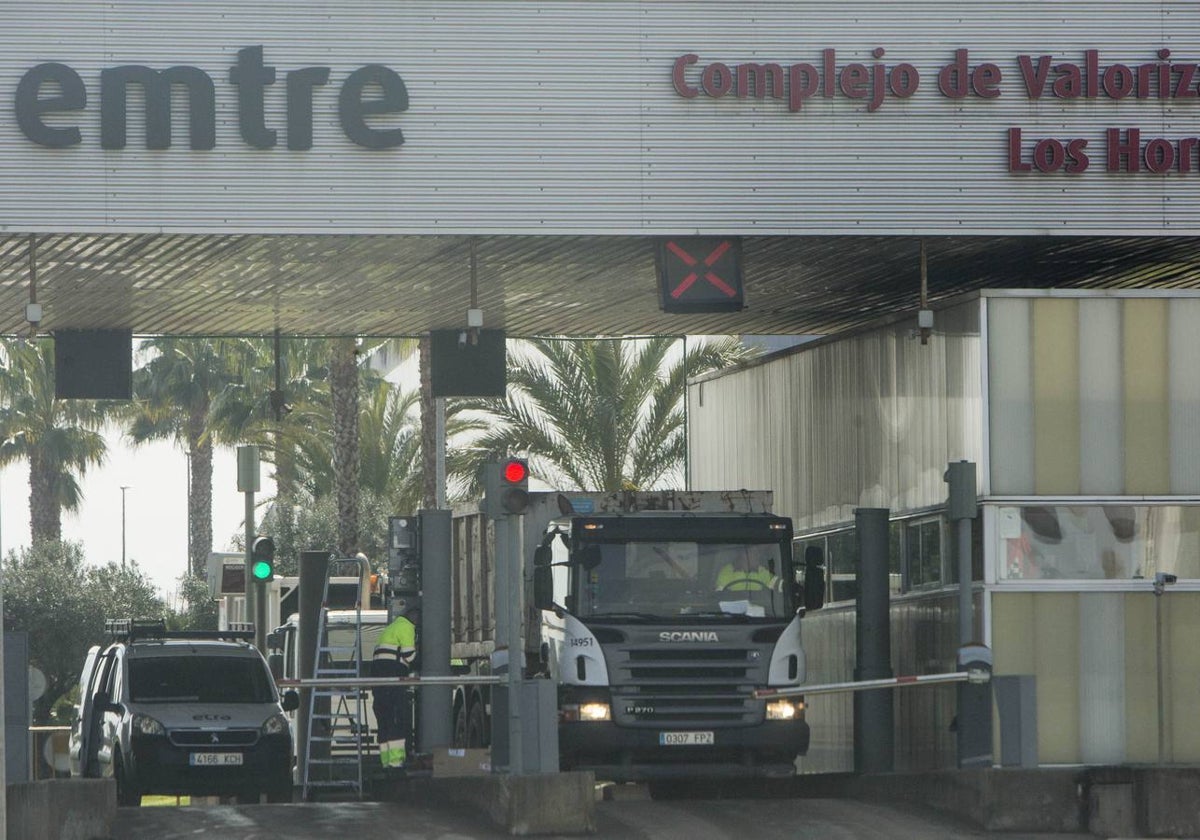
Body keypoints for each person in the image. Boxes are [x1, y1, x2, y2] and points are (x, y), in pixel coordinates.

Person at [372, 604, 417, 769]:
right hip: (392, 679)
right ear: (414, 618)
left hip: (379, 680)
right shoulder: (407, 627)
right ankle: (396, 763)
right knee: (397, 719)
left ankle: (386, 762)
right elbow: (409, 656)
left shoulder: (391, 628)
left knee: (384, 721)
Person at [714, 546, 782, 593]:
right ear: (744, 555)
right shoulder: (727, 571)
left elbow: (779, 585)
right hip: (733, 612)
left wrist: (785, 584)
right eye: (754, 553)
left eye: (758, 554)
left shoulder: (761, 571)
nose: (758, 556)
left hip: (759, 612)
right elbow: (719, 595)